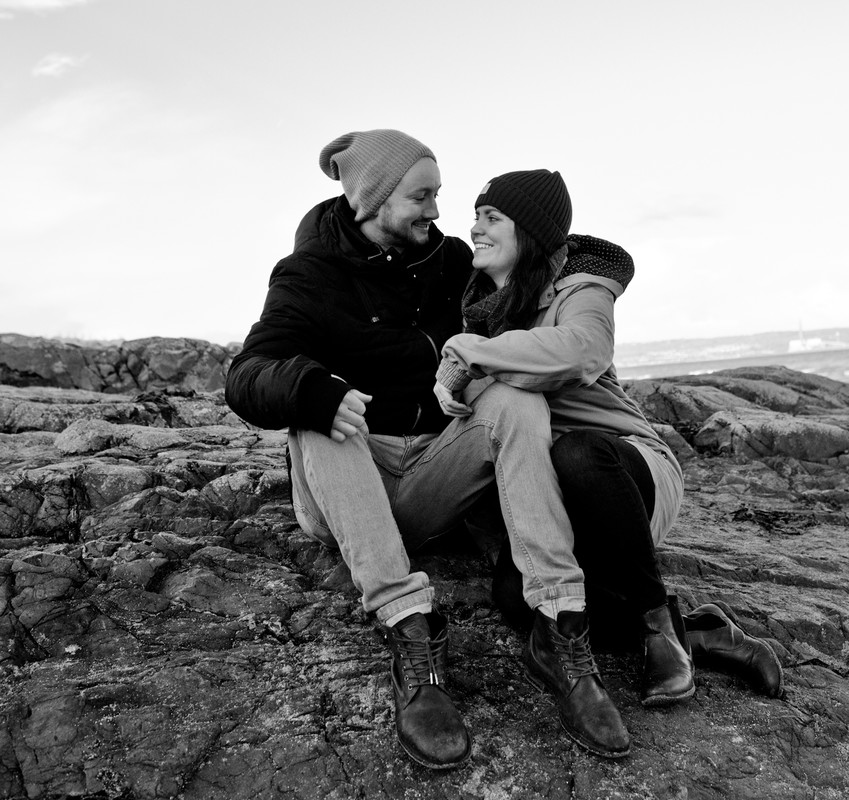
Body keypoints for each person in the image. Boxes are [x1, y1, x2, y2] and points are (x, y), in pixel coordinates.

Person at [225, 131, 628, 769]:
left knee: (515, 400)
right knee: (318, 410)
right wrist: (307, 389)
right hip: (350, 483)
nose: (436, 211)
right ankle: (410, 630)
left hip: (432, 478)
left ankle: (559, 623)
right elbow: (249, 373)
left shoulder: (449, 266)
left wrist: (603, 278)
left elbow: (535, 261)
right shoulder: (307, 276)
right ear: (374, 198)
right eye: (422, 196)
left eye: (438, 195)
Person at [432, 169, 700, 714]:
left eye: (493, 218)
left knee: (576, 452)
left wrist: (472, 354)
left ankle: (658, 630)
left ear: (528, 231)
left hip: (621, 470)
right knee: (515, 596)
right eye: (476, 216)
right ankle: (704, 631)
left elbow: (582, 352)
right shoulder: (477, 308)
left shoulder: (583, 288)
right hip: (551, 495)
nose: (476, 228)